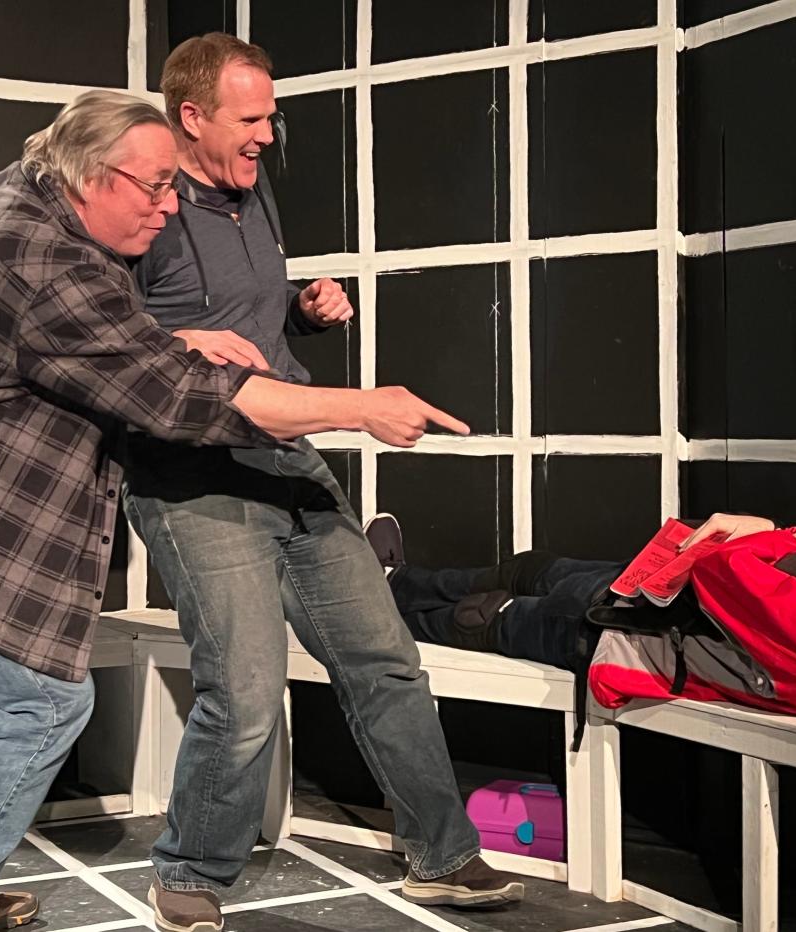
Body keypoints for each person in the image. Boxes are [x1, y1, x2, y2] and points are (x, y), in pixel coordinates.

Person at [0, 91, 466, 932]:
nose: (171, 207)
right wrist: (363, 407)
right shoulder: (40, 254)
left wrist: (172, 337)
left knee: (16, 699)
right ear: (93, 175)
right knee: (39, 704)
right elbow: (174, 397)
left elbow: (85, 340)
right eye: (156, 187)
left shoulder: (28, 192)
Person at [123, 34, 522, 932]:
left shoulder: (249, 190)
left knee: (385, 659)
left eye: (272, 116)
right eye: (251, 117)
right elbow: (104, 335)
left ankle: (442, 855)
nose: (269, 135)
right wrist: (187, 343)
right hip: (192, 477)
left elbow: (244, 317)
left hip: (288, 459)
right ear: (191, 116)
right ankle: (189, 869)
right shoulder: (141, 202)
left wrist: (302, 310)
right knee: (249, 685)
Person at [365, 512, 796, 744]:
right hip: (653, 592)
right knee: (528, 569)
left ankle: (368, 606)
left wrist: (777, 534)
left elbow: (731, 570)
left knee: (491, 618)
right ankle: (389, 580)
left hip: (624, 636)